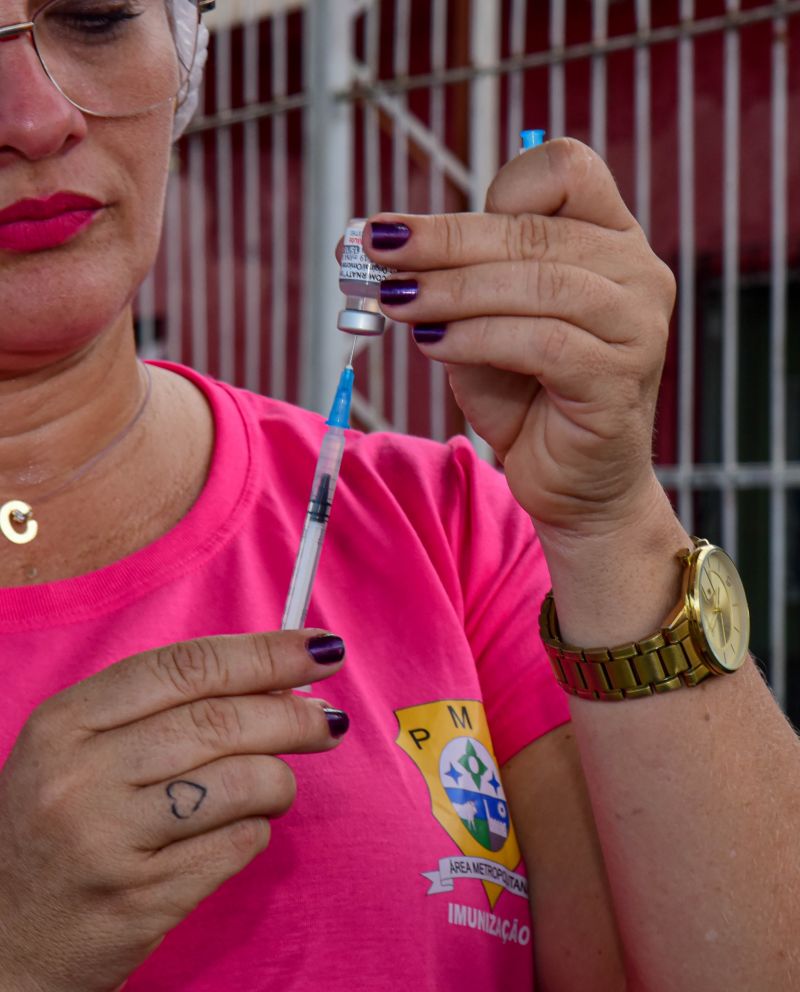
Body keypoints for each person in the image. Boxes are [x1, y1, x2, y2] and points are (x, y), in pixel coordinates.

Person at [0, 2, 797, 990]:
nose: (34, 117)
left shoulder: (438, 525)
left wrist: (610, 521)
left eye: (95, 16)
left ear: (182, 54)